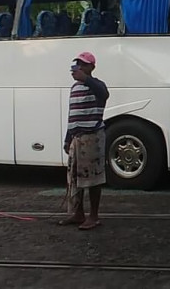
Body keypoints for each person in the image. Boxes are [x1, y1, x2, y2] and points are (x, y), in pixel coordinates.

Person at [58, 51, 110, 230]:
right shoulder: (74, 88)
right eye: (76, 64)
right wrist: (67, 138)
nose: (78, 68)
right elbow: (72, 115)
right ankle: (78, 213)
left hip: (92, 136)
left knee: (92, 178)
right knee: (74, 178)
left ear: (91, 67)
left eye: (82, 64)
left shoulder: (96, 85)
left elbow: (104, 94)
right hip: (76, 138)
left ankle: (93, 216)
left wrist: (86, 79)